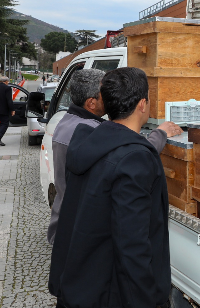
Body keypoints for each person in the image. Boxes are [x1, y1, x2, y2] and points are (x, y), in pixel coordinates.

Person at [49, 67, 170, 308]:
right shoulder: (134, 158)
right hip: (109, 294)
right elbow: (132, 243)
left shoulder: (86, 140)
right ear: (143, 104)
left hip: (81, 286)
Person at [46, 69, 181, 245]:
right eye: (106, 94)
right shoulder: (89, 133)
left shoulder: (68, 121)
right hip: (80, 230)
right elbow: (131, 155)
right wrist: (160, 133)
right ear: (91, 103)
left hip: (69, 221)